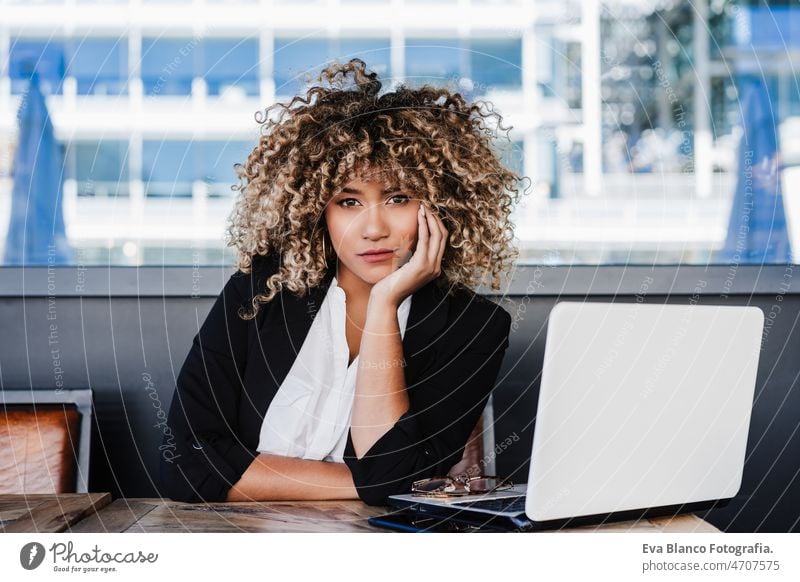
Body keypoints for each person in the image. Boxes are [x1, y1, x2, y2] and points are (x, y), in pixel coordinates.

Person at [160, 58, 525, 505]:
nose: (373, 228)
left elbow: (390, 469)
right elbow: (184, 462)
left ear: (441, 206)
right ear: (319, 211)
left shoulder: (473, 327)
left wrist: (385, 304)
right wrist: (364, 485)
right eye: (348, 201)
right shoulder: (259, 293)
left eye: (398, 198)